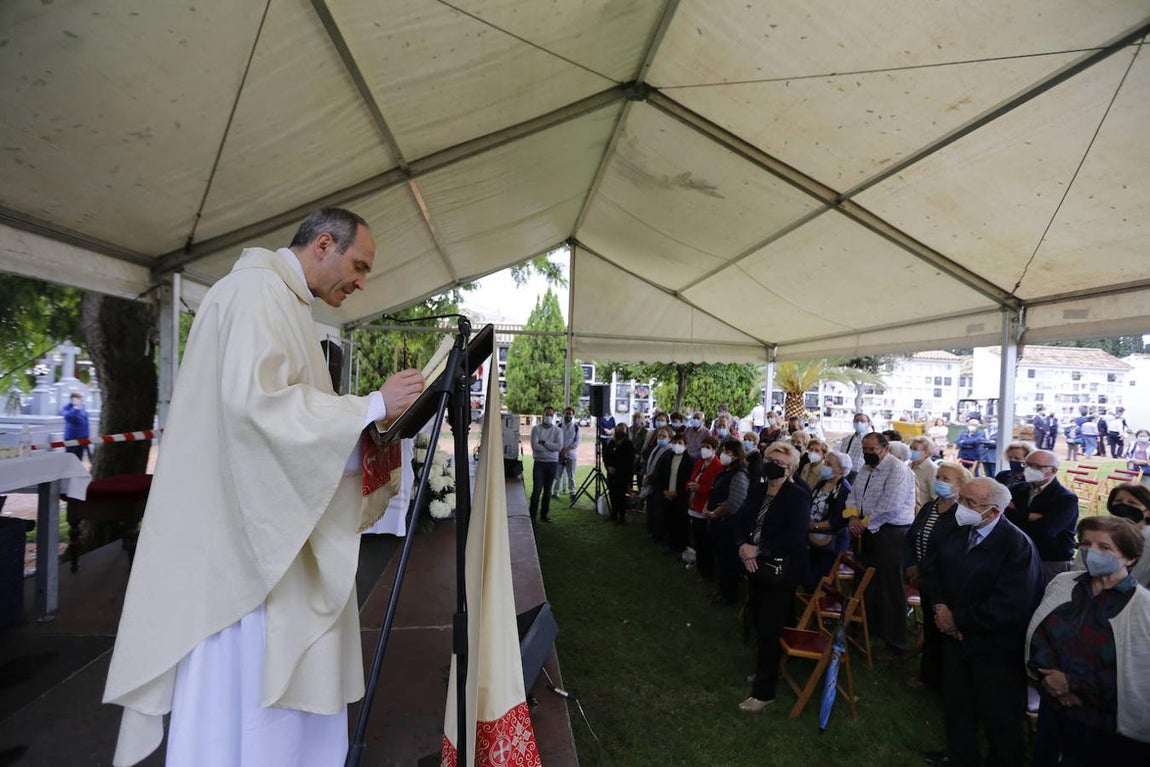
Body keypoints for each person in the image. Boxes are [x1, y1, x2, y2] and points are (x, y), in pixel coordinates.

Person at [103, 208, 426, 767]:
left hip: (264, 545)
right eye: (359, 266)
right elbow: (259, 417)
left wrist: (372, 425)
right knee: (249, 719)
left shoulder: (284, 302)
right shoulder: (256, 295)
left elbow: (293, 421)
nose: (362, 282)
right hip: (245, 562)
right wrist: (373, 406)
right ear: (323, 244)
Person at [921, 478, 1044, 767]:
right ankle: (959, 756)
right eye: (961, 499)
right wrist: (940, 607)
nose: (960, 507)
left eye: (970, 503)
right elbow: (932, 569)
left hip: (995, 646)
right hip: (955, 637)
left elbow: (1010, 604)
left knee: (999, 712)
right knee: (957, 703)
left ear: (993, 512)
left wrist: (958, 621)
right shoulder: (956, 529)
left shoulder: (1016, 547)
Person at [1026, 516, 1150, 764]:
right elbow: (1038, 634)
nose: (1091, 552)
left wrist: (1072, 686)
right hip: (1053, 705)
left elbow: (1139, 673)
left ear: (1130, 557)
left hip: (1103, 722)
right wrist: (1052, 681)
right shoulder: (1063, 583)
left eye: (1104, 547)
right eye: (1085, 544)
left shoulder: (1143, 608)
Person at [736, 441, 811, 712]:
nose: (774, 467)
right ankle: (766, 669)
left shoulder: (797, 496)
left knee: (771, 628)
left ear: (791, 469)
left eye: (780, 464)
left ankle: (764, 692)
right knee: (757, 619)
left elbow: (794, 537)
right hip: (753, 565)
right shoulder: (757, 490)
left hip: (780, 570)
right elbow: (741, 521)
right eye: (771, 461)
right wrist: (744, 547)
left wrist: (759, 549)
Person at [846, 432, 917, 657]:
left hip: (892, 533)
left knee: (890, 587)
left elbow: (891, 505)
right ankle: (871, 629)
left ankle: (896, 643)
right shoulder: (866, 469)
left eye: (872, 450)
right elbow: (853, 496)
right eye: (864, 450)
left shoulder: (898, 469)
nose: (867, 454)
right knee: (866, 581)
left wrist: (864, 524)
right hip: (866, 529)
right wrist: (853, 517)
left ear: (885, 449)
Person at [903, 462, 971, 690]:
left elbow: (949, 552)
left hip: (943, 581)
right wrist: (912, 564)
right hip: (923, 578)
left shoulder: (960, 515)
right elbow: (912, 536)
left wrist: (924, 570)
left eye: (946, 479)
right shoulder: (930, 507)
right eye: (938, 476)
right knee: (931, 629)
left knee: (944, 630)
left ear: (961, 486)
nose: (939, 481)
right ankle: (928, 675)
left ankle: (945, 680)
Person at [1005, 449, 1079, 583]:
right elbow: (1003, 518)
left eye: (1037, 467)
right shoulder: (1017, 489)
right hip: (1018, 555)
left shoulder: (1065, 499)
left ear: (1053, 471)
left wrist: (1015, 515)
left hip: (1049, 560)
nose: (1029, 469)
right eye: (1026, 465)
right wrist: (1027, 516)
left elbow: (1047, 532)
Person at [705, 439, 750, 605]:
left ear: (736, 455)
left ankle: (729, 595)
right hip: (719, 523)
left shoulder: (739, 474)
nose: (723, 454)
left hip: (729, 526)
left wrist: (715, 512)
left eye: (727, 452)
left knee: (728, 562)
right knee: (721, 560)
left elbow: (734, 503)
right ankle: (722, 590)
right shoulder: (726, 470)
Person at [806, 450, 852, 586]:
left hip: (831, 539)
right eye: (825, 462)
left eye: (829, 464)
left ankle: (816, 600)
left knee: (819, 575)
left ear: (841, 470)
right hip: (812, 535)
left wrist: (815, 526)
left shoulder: (844, 490)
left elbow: (839, 520)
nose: (825, 466)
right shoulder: (821, 484)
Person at [686, 436, 723, 582]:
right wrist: (689, 486)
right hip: (693, 504)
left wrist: (700, 488)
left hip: (705, 507)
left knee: (705, 541)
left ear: (714, 450)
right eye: (703, 446)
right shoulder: (700, 462)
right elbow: (691, 478)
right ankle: (700, 567)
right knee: (697, 539)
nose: (704, 450)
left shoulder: (718, 466)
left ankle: (707, 572)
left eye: (708, 447)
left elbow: (715, 489)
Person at [655, 432, 695, 553]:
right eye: (675, 443)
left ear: (686, 445)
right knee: (668, 520)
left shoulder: (690, 461)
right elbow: (660, 476)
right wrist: (664, 491)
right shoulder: (668, 457)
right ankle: (670, 543)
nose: (677, 445)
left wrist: (678, 493)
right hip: (667, 494)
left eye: (680, 443)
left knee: (681, 522)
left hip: (681, 496)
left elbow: (690, 480)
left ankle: (681, 546)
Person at [1104, 483, 1150, 587]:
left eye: (1132, 503)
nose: (1123, 506)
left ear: (1148, 512)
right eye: (1118, 501)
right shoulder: (1099, 532)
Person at [529, 407, 563, 523]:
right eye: (547, 414)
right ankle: (532, 516)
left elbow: (558, 447)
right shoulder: (536, 429)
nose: (548, 417)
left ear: (553, 416)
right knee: (537, 490)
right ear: (543, 415)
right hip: (539, 463)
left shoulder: (558, 431)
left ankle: (544, 515)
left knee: (548, 491)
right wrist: (550, 447)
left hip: (552, 464)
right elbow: (535, 447)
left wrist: (544, 443)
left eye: (551, 415)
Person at [603, 423, 635, 525]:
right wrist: (608, 467)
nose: (620, 430)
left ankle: (621, 517)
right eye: (619, 428)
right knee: (612, 494)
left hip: (622, 475)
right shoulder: (611, 442)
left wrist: (618, 469)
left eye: (623, 429)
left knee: (621, 496)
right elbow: (606, 456)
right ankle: (613, 515)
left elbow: (629, 461)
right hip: (611, 473)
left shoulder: (629, 444)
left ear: (626, 431)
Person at [553, 406, 580, 501]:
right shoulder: (559, 426)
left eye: (570, 414)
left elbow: (576, 442)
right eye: (566, 413)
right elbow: (555, 440)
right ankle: (555, 492)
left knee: (571, 475)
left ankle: (572, 493)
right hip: (559, 455)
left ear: (573, 415)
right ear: (563, 414)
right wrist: (561, 451)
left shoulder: (576, 427)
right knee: (557, 474)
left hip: (571, 455)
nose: (568, 415)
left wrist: (567, 450)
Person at [59, 389, 91, 461]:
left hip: (82, 438)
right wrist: (75, 408)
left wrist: (87, 436)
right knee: (70, 459)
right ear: (73, 399)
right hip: (71, 438)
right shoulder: (67, 408)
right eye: (78, 398)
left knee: (79, 459)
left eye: (80, 398)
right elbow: (68, 417)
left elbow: (85, 423)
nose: (80, 400)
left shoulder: (82, 407)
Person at [908, 435, 938, 510]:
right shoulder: (909, 465)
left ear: (926, 453)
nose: (911, 451)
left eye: (915, 449)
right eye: (910, 448)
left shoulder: (932, 469)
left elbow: (935, 497)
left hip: (921, 512)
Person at [837, 412, 871, 477]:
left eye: (862, 421)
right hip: (845, 474)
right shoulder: (847, 439)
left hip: (861, 475)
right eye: (856, 421)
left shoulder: (872, 440)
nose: (859, 423)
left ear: (869, 424)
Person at [628, 412, 649, 490]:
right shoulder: (629, 430)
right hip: (630, 458)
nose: (636, 420)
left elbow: (645, 446)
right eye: (635, 418)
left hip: (640, 460)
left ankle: (640, 499)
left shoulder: (645, 431)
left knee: (640, 481)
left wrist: (639, 455)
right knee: (629, 480)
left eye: (639, 418)